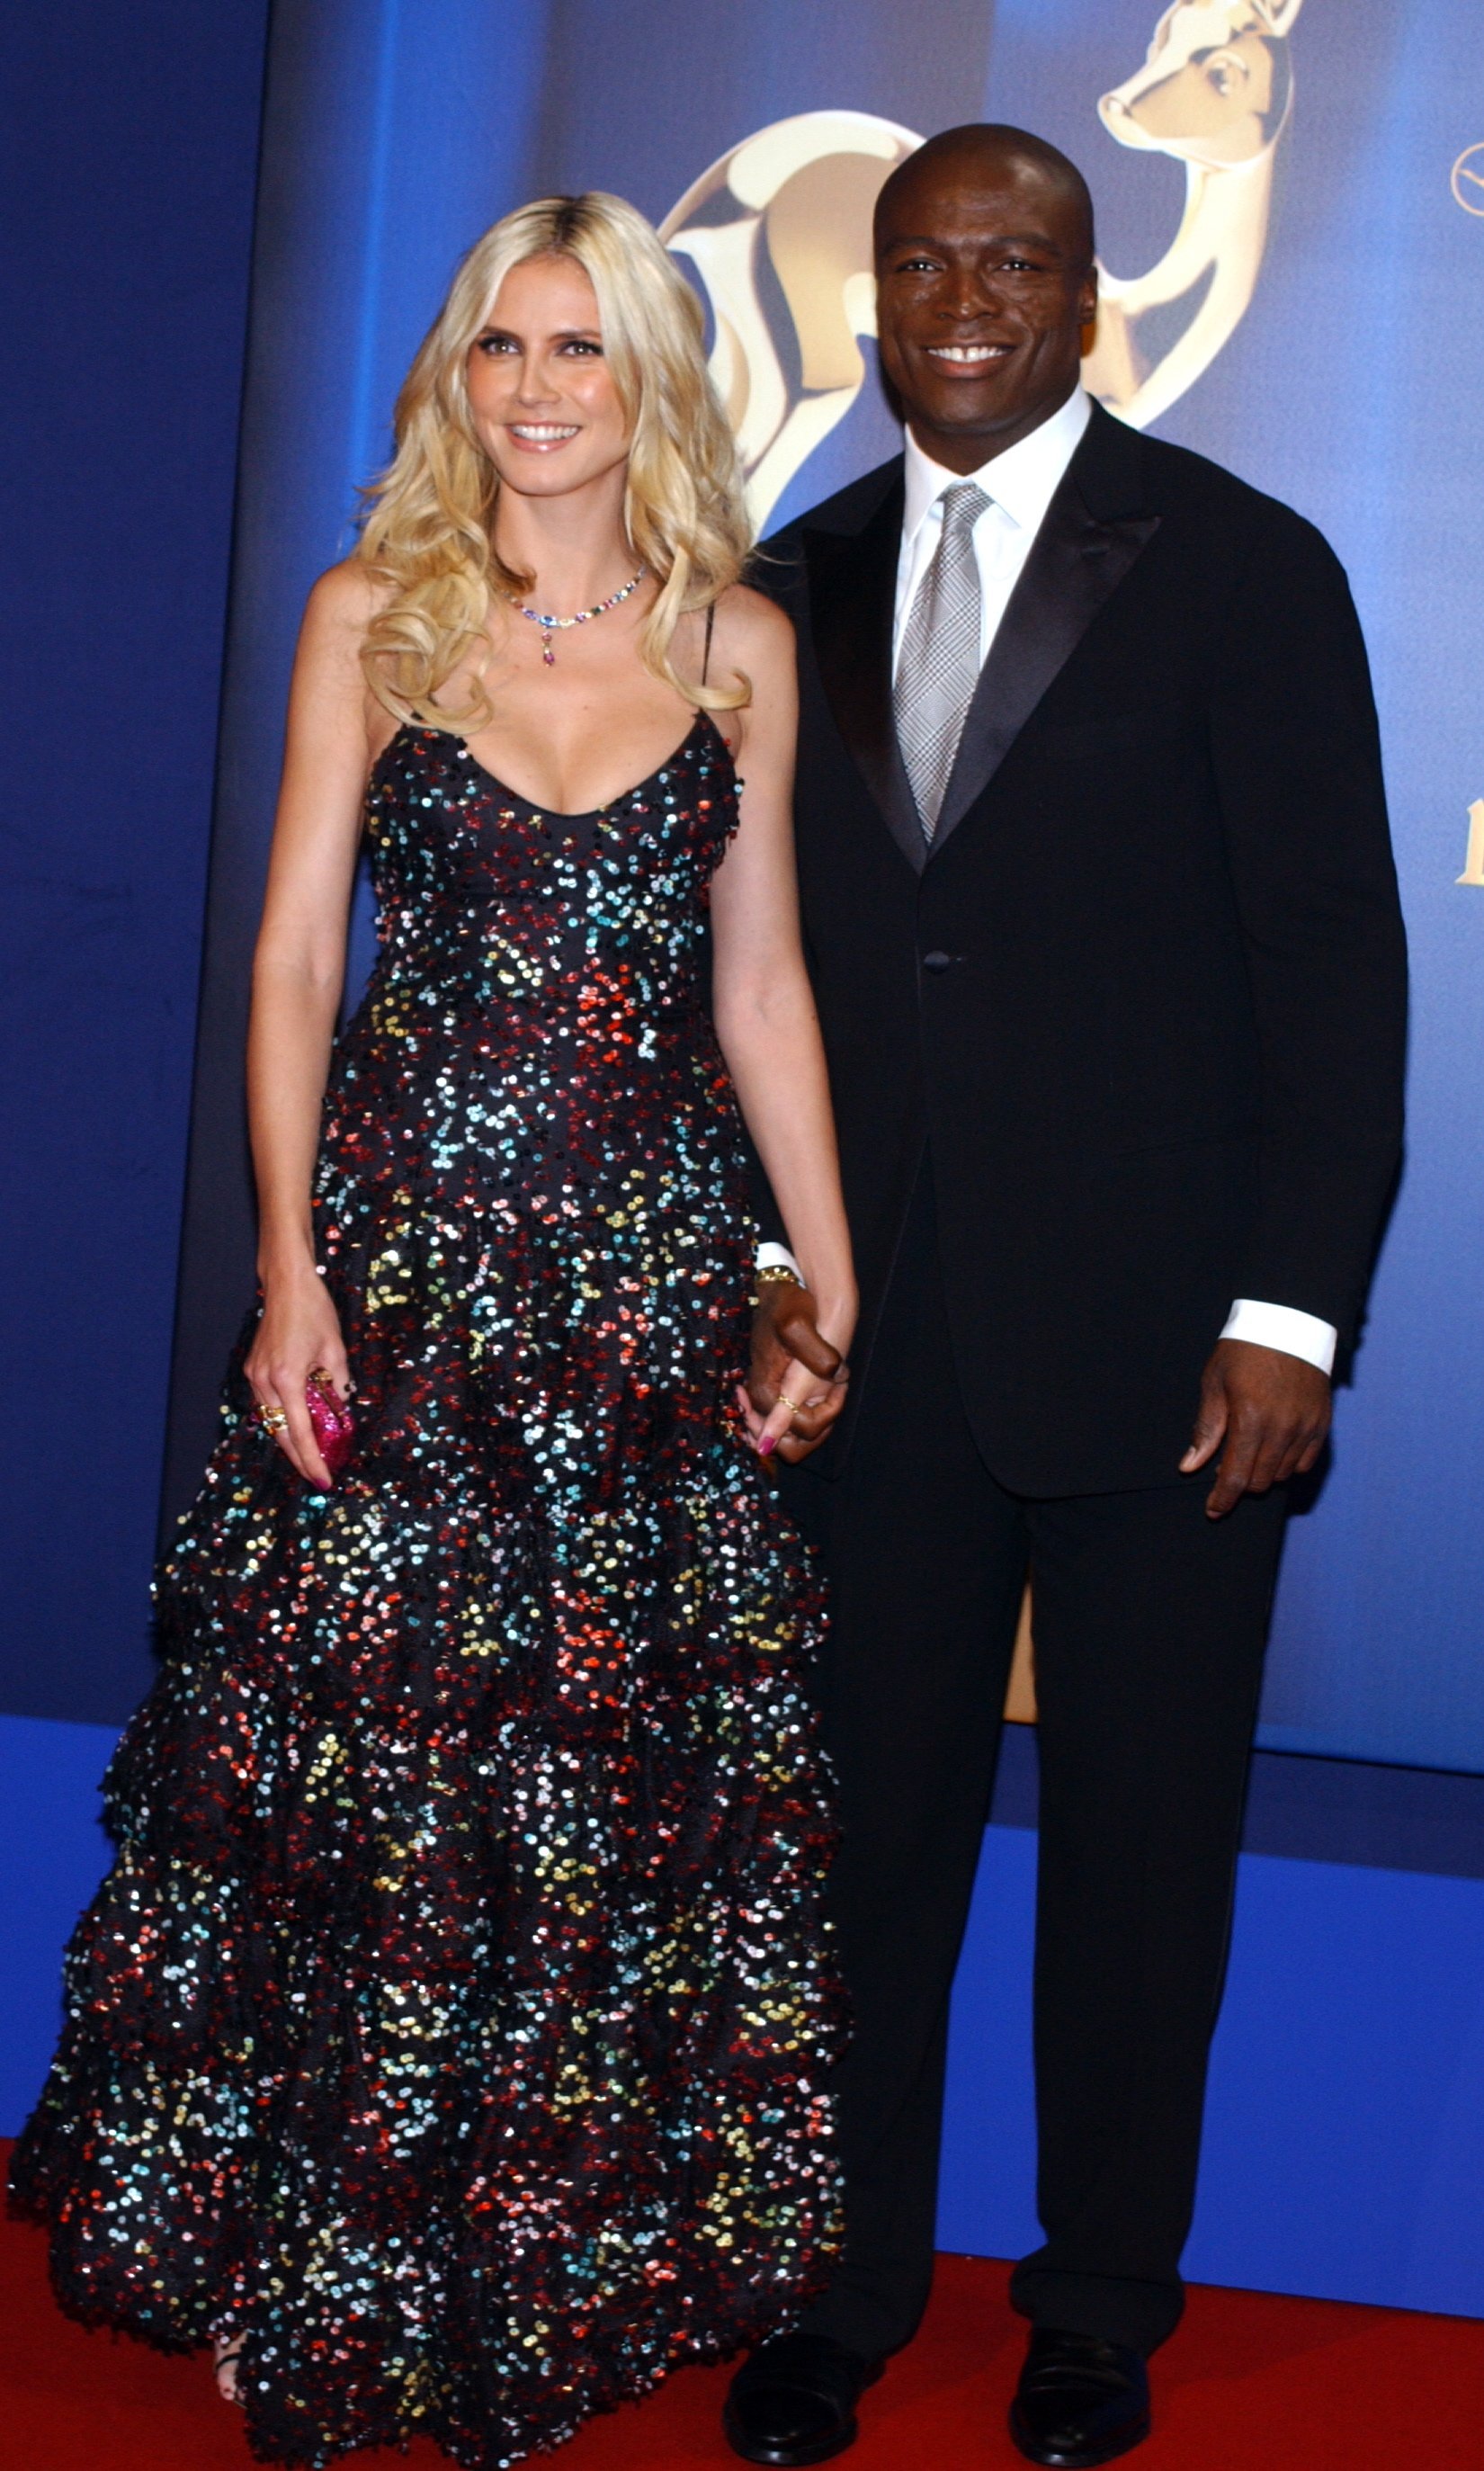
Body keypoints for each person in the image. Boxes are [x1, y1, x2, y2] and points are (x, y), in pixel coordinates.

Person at [9, 192, 858, 2469]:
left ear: (650, 376)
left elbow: (761, 983)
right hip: (398, 1292)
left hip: (642, 1307)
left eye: (581, 346)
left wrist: (825, 1265)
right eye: (502, 343)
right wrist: (288, 1266)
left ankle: (539, 2258)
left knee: (589, 1804)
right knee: (357, 1790)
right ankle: (316, 2252)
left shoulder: (743, 647)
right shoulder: (372, 616)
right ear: (456, 375)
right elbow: (299, 956)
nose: (538, 388)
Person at [723, 124, 1407, 2469]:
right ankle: (838, 2292)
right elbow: (745, 979)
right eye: (925, 262)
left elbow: (1335, 965)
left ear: (1086, 296)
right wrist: (768, 1266)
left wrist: (1291, 1314)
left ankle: (1101, 2304)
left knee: (1139, 1859)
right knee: (858, 1855)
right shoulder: (787, 582)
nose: (965, 299)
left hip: (1167, 1352)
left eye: (1014, 261)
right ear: (874, 301)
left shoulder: (1242, 565)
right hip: (870, 1346)